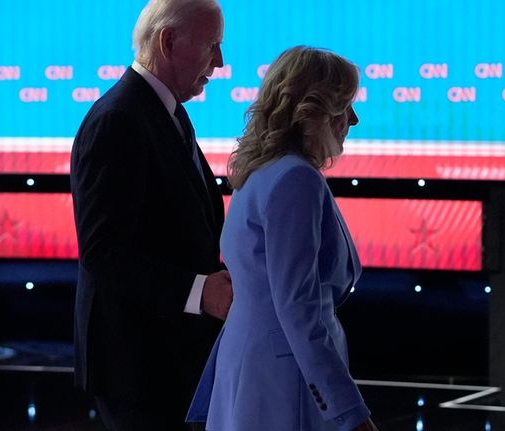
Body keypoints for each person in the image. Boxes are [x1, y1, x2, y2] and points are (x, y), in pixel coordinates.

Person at [187, 46, 378, 431]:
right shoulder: (296, 180)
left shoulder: (258, 173)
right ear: (313, 110)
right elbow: (298, 309)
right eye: (345, 106)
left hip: (254, 369)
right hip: (285, 381)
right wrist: (350, 414)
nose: (354, 120)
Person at [69, 0, 232, 429]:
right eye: (212, 45)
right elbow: (102, 252)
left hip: (163, 357)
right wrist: (200, 292)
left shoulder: (163, 111)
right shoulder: (119, 118)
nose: (220, 61)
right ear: (169, 41)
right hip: (135, 364)